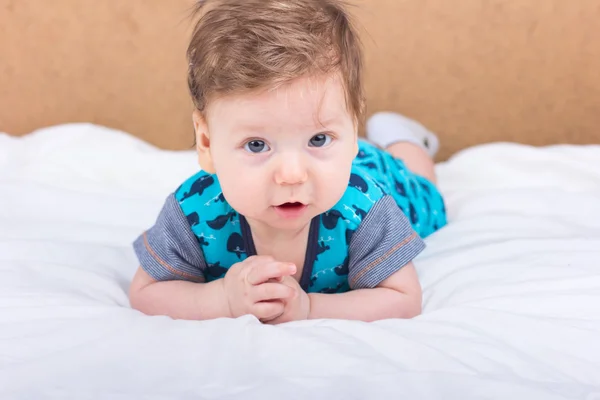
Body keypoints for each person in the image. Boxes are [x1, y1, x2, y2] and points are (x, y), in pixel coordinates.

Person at [128, 0, 446, 324]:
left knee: (423, 188)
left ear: (352, 127)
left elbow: (404, 299)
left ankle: (400, 136)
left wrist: (310, 308)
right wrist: (222, 298)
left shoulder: (367, 210)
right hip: (336, 160)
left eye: (318, 138)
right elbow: (146, 292)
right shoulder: (192, 212)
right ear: (207, 142)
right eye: (256, 145)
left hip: (371, 171)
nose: (292, 175)